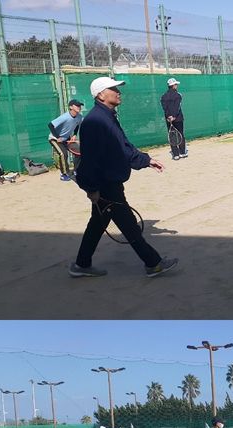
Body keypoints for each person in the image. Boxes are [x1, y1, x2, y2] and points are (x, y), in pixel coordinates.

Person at [71, 76, 178, 279]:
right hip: (105, 184)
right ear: (101, 95)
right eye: (113, 89)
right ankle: (153, 263)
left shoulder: (107, 117)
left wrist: (146, 160)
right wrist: (91, 188)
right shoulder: (95, 121)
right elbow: (90, 159)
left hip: (110, 181)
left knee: (98, 223)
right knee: (128, 224)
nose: (118, 92)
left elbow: (123, 147)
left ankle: (81, 264)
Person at [48, 99, 84, 181]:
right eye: (77, 105)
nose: (79, 107)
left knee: (79, 152)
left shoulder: (79, 117)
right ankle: (63, 174)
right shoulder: (65, 117)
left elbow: (77, 124)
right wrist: (57, 137)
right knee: (63, 154)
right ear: (71, 107)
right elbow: (50, 125)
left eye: (80, 105)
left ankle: (76, 170)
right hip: (54, 139)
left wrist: (74, 134)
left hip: (66, 139)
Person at [160, 77, 187, 160]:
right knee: (180, 134)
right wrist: (174, 116)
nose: (176, 86)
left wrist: (169, 116)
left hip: (169, 120)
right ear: (173, 85)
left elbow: (165, 108)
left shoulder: (163, 96)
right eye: (176, 84)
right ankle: (182, 153)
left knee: (172, 135)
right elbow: (177, 107)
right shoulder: (178, 95)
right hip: (178, 119)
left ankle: (176, 154)